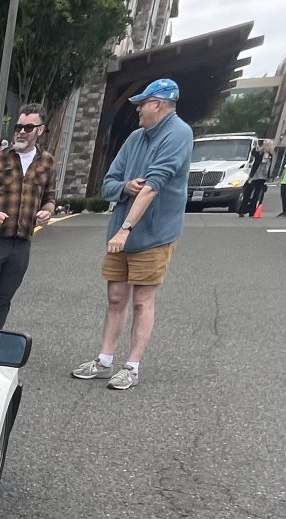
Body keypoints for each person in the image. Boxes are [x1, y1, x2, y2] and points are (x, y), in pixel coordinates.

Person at [71, 78, 192, 390]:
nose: (138, 109)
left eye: (142, 104)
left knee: (142, 300)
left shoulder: (179, 134)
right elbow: (108, 184)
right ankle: (104, 360)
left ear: (158, 104)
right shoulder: (136, 138)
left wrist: (125, 229)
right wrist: (124, 187)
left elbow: (153, 187)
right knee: (115, 297)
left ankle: (132, 366)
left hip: (154, 233)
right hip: (121, 233)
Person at [0, 103, 58, 330]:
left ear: (40, 130)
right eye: (18, 127)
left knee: (4, 301)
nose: (21, 132)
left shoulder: (47, 162)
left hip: (22, 244)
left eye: (28, 127)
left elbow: (50, 197)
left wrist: (47, 211)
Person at [239, 140, 272, 217]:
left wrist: (268, 176)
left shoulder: (270, 155)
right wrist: (256, 147)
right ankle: (242, 210)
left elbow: (269, 166)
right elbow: (252, 153)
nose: (269, 147)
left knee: (257, 195)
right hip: (255, 176)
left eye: (270, 145)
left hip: (263, 177)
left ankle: (252, 211)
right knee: (248, 193)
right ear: (264, 146)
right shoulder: (259, 153)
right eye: (267, 145)